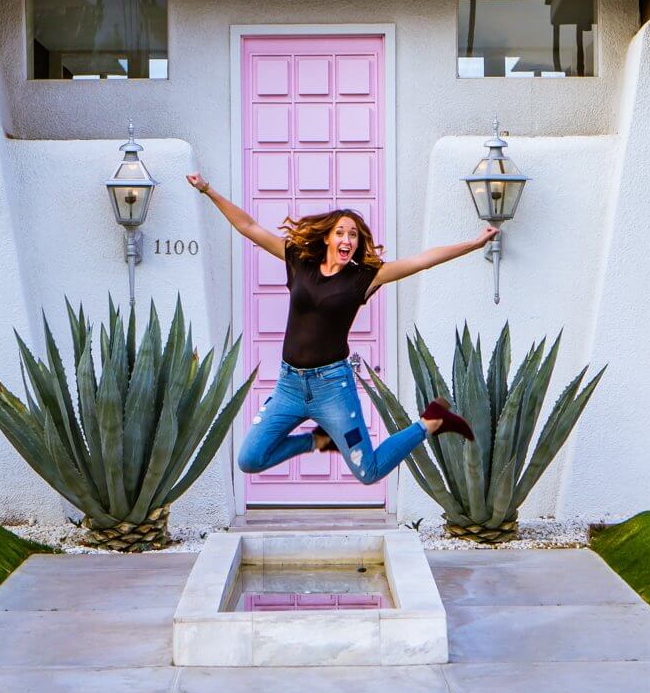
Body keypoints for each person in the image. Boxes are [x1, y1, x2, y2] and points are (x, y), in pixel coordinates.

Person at [187, 171, 497, 484]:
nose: (347, 239)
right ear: (327, 237)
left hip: (333, 388)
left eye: (353, 235)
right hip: (289, 386)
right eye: (340, 232)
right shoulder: (298, 261)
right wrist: (207, 190)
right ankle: (318, 440)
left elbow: (423, 261)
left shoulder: (364, 278)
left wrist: (472, 244)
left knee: (369, 472)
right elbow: (249, 227)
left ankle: (431, 422)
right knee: (250, 459)